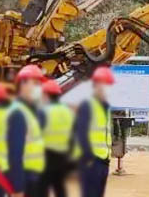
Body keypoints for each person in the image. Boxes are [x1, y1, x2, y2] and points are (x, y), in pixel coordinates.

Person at [74, 66, 115, 197]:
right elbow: (81, 133)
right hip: (92, 162)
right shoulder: (88, 105)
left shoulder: (106, 107)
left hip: (104, 160)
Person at [8, 64, 47, 197]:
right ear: (23, 84)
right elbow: (14, 154)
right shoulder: (18, 113)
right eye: (35, 83)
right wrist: (17, 188)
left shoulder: (32, 111)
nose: (38, 88)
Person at [39, 79, 74, 197]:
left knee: (42, 188)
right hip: (62, 156)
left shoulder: (43, 111)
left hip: (46, 155)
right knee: (59, 187)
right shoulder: (66, 111)